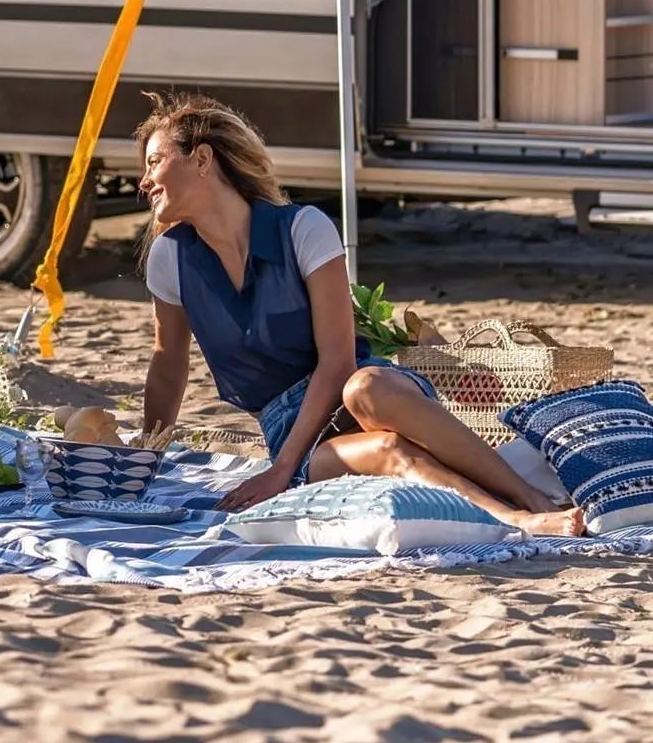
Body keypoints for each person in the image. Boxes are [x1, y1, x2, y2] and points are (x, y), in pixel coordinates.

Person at [134, 92, 584, 537]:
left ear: (202, 158)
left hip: (362, 386)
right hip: (291, 431)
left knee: (365, 388)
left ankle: (531, 498)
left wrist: (281, 470)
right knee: (389, 449)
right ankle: (515, 519)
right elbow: (168, 361)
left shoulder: (301, 229)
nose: (143, 181)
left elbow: (338, 360)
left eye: (154, 162)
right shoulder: (170, 259)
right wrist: (144, 460)